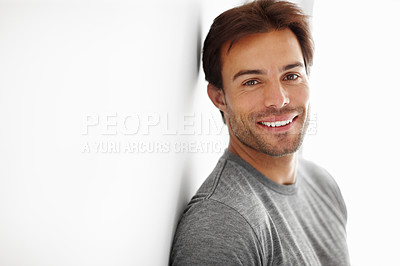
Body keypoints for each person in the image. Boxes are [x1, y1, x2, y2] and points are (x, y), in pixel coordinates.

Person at [169, 0, 350, 265]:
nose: (279, 99)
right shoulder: (224, 222)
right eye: (252, 81)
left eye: (291, 76)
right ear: (219, 98)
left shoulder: (322, 183)